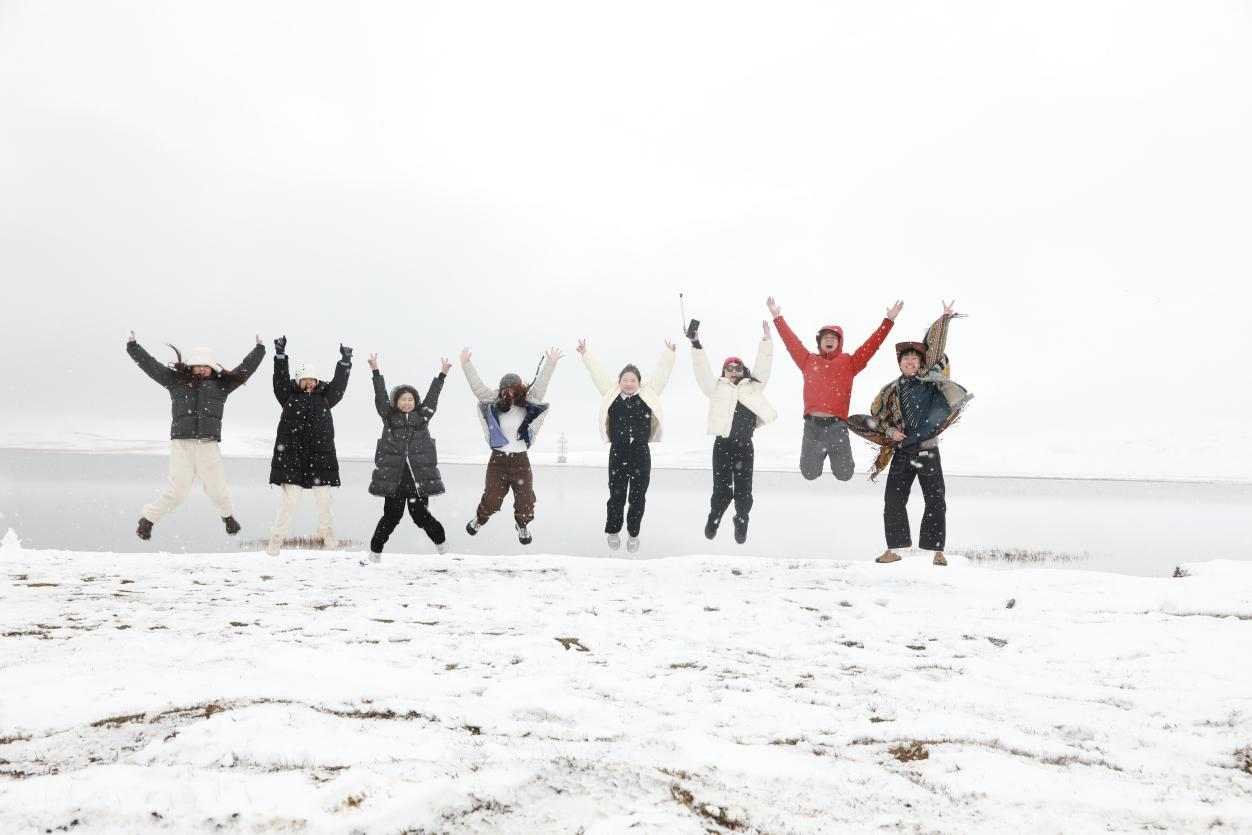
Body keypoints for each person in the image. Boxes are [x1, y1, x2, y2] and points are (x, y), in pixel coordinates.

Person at [848, 301, 973, 567]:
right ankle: (893, 549)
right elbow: (878, 419)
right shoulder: (889, 391)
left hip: (927, 448)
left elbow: (935, 347)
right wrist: (891, 431)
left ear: (921, 362)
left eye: (915, 358)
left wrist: (944, 319)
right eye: (906, 359)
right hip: (903, 451)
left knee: (935, 499)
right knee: (893, 500)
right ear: (900, 363)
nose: (911, 361)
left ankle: (937, 551)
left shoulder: (931, 381)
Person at [126, 331, 265, 540]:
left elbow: (245, 370)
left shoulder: (222, 386)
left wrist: (259, 350)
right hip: (182, 444)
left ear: (211, 367)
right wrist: (133, 347)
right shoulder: (176, 382)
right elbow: (152, 367)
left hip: (208, 445)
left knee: (218, 490)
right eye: (198, 365)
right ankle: (147, 520)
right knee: (178, 492)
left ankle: (227, 517)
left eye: (205, 365)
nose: (201, 368)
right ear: (191, 366)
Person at [767, 296, 902, 482]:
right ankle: (819, 452)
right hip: (812, 427)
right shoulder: (808, 361)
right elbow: (791, 343)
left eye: (833, 338)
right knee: (809, 473)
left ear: (839, 342)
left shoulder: (849, 362)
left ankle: (831, 451)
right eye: (825, 338)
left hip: (837, 427)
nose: (829, 340)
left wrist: (888, 321)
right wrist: (777, 318)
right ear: (819, 342)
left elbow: (871, 346)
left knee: (845, 475)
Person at [576, 338, 676, 553]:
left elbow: (661, 376)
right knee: (617, 495)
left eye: (633, 380)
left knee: (638, 497)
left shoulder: (648, 395)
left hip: (641, 451)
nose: (629, 383)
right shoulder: (611, 394)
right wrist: (586, 354)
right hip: (618, 451)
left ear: (639, 382)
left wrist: (668, 355)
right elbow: (598, 375)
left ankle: (633, 533)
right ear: (619, 381)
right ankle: (613, 530)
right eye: (625, 379)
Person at [460, 346, 562, 545]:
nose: (510, 394)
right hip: (498, 461)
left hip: (521, 461)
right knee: (492, 499)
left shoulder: (529, 403)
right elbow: (477, 387)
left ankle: (522, 525)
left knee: (526, 501)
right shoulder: (494, 403)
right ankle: (480, 519)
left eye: (514, 390)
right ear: (502, 391)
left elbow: (541, 384)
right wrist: (466, 365)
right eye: (506, 390)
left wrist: (551, 363)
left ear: (520, 389)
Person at [264, 336, 352, 557]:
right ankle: (276, 539)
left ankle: (327, 532)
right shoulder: (288, 395)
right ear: (298, 381)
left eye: (312, 378)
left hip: (320, 458)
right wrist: (280, 355)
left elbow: (340, 385)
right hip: (291, 458)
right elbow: (279, 379)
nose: (309, 382)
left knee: (324, 501)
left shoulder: (326, 397)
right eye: (304, 379)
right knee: (289, 504)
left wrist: (345, 362)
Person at [690, 321, 776, 544]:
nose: (734, 371)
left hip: (745, 447)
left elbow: (764, 367)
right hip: (723, 445)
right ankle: (715, 517)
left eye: (738, 368)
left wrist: (767, 340)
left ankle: (741, 520)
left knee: (744, 491)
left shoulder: (752, 387)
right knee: (721, 489)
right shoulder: (716, 388)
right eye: (730, 368)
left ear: (744, 371)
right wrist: (696, 343)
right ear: (724, 372)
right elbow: (702, 372)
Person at [366, 353, 452, 563]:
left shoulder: (422, 418)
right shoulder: (389, 418)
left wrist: (442, 375)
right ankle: (375, 552)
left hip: (416, 478)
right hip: (395, 477)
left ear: (415, 402)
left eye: (410, 399)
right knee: (391, 517)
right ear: (396, 402)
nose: (406, 402)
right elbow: (381, 397)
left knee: (420, 516)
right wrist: (375, 371)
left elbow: (432, 398)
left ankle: (441, 542)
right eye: (402, 399)